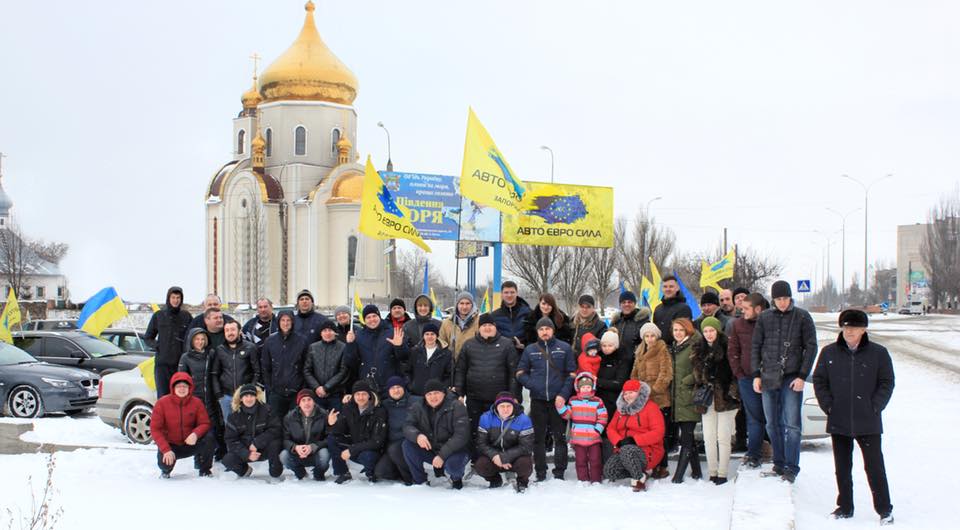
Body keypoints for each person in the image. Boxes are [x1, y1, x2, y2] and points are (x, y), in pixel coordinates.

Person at [813, 310, 895, 524]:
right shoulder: (829, 352)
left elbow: (887, 382)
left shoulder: (878, 353)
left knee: (874, 467)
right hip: (838, 418)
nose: (849, 331)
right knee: (842, 467)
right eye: (846, 327)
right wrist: (828, 405)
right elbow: (820, 381)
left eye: (854, 327)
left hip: (868, 420)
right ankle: (845, 506)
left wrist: (875, 406)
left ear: (863, 329)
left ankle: (884, 509)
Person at [751, 280, 818, 484]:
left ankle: (792, 467)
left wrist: (802, 376)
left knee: (792, 425)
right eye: (778, 298)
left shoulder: (802, 316)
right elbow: (756, 346)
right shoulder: (764, 317)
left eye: (785, 298)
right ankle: (779, 462)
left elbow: (811, 347)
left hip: (792, 376)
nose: (782, 302)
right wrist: (756, 374)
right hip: (768, 376)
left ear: (790, 298)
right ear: (773, 299)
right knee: (772, 424)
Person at [516, 317, 577, 481]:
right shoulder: (530, 350)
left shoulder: (564, 348)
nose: (544, 332)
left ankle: (560, 472)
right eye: (541, 329)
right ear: (537, 332)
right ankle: (540, 471)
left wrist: (563, 395)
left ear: (553, 330)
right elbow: (520, 373)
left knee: (560, 438)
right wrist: (533, 385)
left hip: (558, 401)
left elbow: (571, 374)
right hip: (538, 400)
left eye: (547, 329)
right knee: (538, 438)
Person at [692, 317, 739, 485]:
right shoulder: (698, 349)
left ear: (718, 331)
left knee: (723, 437)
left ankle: (722, 473)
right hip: (707, 398)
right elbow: (697, 375)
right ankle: (712, 472)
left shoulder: (729, 346)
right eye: (705, 331)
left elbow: (736, 373)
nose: (708, 334)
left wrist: (732, 392)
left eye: (711, 330)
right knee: (709, 437)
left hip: (726, 398)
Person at [402, 379, 471, 489]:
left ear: (443, 393)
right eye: (429, 394)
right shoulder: (418, 407)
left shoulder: (456, 406)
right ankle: (420, 481)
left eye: (436, 393)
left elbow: (461, 436)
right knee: (407, 445)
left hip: (455, 450)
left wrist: (441, 456)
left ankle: (456, 479)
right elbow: (407, 426)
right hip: (432, 448)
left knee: (453, 466)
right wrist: (417, 436)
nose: (433, 397)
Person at [727, 293, 768, 468]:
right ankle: (754, 454)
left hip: (770, 377)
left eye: (746, 308)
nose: (742, 311)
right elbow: (733, 351)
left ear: (758, 309)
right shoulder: (738, 324)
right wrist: (740, 374)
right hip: (747, 378)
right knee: (754, 417)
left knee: (771, 417)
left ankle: (775, 452)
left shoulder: (770, 322)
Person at [603, 380, 665, 492]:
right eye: (625, 393)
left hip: (648, 451)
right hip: (623, 449)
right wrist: (619, 441)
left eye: (631, 392)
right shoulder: (621, 410)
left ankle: (638, 479)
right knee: (609, 471)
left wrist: (635, 440)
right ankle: (642, 472)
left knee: (628, 450)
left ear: (639, 393)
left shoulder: (651, 407)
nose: (627, 396)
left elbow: (658, 432)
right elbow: (610, 428)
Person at [629, 321, 673, 479]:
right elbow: (634, 373)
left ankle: (663, 465)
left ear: (657, 336)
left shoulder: (662, 350)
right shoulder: (640, 351)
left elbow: (666, 373)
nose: (649, 339)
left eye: (652, 335)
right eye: (646, 336)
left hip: (659, 399)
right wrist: (635, 389)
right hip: (643, 399)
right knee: (647, 434)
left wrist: (653, 390)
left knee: (660, 434)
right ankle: (651, 463)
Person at [151, 372, 215, 478]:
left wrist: (195, 434)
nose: (182, 389)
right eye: (178, 386)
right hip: (171, 446)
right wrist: (165, 449)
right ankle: (166, 471)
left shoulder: (197, 403)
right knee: (165, 465)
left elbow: (204, 423)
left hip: (190, 443)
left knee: (209, 438)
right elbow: (155, 429)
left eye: (185, 386)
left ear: (189, 388)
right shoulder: (162, 403)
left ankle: (204, 469)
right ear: (173, 388)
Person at [327, 380, 387, 484]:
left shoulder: (379, 411)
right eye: (357, 394)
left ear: (369, 395)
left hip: (371, 449)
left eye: (364, 394)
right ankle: (343, 473)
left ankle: (371, 473)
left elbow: (377, 441)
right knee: (332, 439)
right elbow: (340, 431)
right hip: (355, 445)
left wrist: (352, 450)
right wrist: (332, 424)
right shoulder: (348, 408)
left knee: (368, 458)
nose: (360, 397)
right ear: (353, 396)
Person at [475, 391, 534, 492]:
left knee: (526, 464)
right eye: (502, 406)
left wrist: (504, 457)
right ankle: (495, 480)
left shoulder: (524, 420)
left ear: (513, 406)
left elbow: (526, 446)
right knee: (481, 465)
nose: (505, 409)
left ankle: (522, 481)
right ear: (496, 406)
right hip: (495, 457)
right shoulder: (485, 418)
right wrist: (494, 456)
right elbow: (481, 443)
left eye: (508, 406)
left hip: (515, 457)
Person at [223, 383, 283, 479]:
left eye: (252, 396)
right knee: (228, 460)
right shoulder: (234, 416)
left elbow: (275, 429)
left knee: (275, 443)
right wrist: (246, 454)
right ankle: (245, 470)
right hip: (246, 450)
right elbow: (231, 440)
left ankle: (275, 472)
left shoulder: (267, 410)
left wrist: (257, 443)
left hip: (264, 448)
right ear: (241, 398)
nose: (249, 399)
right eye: (246, 396)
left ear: (256, 397)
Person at [557, 372, 608, 483]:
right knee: (580, 460)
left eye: (588, 387)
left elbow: (603, 417)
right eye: (583, 387)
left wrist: (597, 430)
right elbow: (568, 415)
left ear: (592, 387)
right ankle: (583, 480)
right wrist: (560, 407)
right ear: (578, 388)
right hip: (578, 437)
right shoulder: (573, 400)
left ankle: (596, 480)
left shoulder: (598, 401)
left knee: (595, 460)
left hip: (593, 437)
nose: (586, 389)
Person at [669, 317, 702, 483]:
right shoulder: (674, 347)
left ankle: (678, 477)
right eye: (675, 330)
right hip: (677, 398)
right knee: (688, 437)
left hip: (689, 397)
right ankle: (697, 472)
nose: (678, 333)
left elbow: (700, 369)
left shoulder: (693, 346)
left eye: (681, 330)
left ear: (688, 330)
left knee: (686, 439)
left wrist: (686, 382)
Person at [178, 328, 221, 457]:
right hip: (195, 399)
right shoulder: (186, 357)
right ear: (192, 340)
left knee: (212, 429)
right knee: (198, 429)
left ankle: (212, 455)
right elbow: (181, 379)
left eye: (202, 339)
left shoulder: (211, 354)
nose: (200, 342)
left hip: (210, 398)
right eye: (197, 339)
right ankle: (199, 457)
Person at [345, 304, 404, 396]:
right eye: (368, 317)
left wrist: (399, 346)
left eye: (374, 316)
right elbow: (351, 362)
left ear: (379, 317)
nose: (372, 319)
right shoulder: (358, 336)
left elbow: (404, 357)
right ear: (364, 320)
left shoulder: (392, 332)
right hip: (368, 384)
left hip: (389, 384)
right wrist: (350, 344)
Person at [144, 286, 192, 398]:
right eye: (173, 297)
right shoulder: (159, 315)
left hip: (180, 365)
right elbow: (148, 338)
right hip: (162, 365)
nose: (176, 300)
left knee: (181, 396)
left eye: (178, 298)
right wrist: (158, 346)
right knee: (163, 397)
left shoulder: (186, 316)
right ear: (168, 298)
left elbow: (193, 336)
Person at [261, 310, 309, 419]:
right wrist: (269, 387)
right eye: (283, 320)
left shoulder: (302, 340)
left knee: (295, 422)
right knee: (275, 422)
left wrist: (303, 387)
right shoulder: (270, 341)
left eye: (288, 320)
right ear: (278, 322)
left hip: (296, 391)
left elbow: (306, 366)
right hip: (276, 392)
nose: (285, 323)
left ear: (293, 322)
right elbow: (265, 367)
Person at [211, 320, 260, 422]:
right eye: (227, 330)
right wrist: (218, 394)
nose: (230, 333)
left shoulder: (250, 347)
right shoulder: (220, 350)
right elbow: (214, 373)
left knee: (248, 424)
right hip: (226, 396)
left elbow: (257, 372)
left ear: (239, 331)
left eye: (233, 329)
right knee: (229, 425)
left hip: (245, 396)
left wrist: (251, 391)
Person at [374, 377, 417, 484]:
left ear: (403, 388)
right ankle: (399, 471)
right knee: (381, 472)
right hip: (392, 445)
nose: (396, 390)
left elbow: (435, 397)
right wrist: (349, 398)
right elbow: (365, 401)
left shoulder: (415, 401)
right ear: (388, 391)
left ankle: (412, 477)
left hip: (410, 443)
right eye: (392, 388)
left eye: (398, 387)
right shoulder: (384, 404)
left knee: (395, 449)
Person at [282, 389, 331, 481]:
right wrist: (295, 447)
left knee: (324, 454)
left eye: (309, 399)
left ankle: (318, 474)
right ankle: (300, 473)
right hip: (298, 453)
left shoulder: (324, 415)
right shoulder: (289, 417)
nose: (306, 403)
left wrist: (313, 447)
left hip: (317, 452)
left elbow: (329, 438)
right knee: (283, 456)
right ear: (299, 403)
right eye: (303, 400)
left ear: (314, 402)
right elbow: (285, 439)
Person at [304, 320, 349, 412]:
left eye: (330, 330)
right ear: (321, 333)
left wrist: (326, 387)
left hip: (335, 394)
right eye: (324, 330)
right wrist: (317, 387)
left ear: (335, 332)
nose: (327, 333)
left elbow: (343, 371)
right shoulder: (313, 347)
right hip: (317, 394)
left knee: (336, 418)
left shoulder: (343, 347)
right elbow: (307, 370)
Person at [403, 321, 453, 397]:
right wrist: (411, 386)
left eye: (432, 334)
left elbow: (449, 375)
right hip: (417, 394)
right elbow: (407, 371)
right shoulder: (415, 351)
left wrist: (442, 388)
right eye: (427, 334)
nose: (430, 337)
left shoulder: (446, 353)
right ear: (423, 336)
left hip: (436, 395)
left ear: (437, 336)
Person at [594, 329, 632, 425]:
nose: (606, 348)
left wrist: (598, 381)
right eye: (604, 345)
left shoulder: (622, 359)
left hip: (613, 400)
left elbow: (619, 383)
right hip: (598, 399)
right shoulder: (598, 358)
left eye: (610, 345)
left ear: (616, 346)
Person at [491, 280, 531, 355]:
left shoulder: (528, 313)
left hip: (524, 356)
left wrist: (525, 346)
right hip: (502, 357)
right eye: (506, 292)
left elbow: (535, 336)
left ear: (517, 293)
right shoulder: (494, 316)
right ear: (501, 294)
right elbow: (491, 338)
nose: (509, 295)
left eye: (512, 292)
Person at [610, 290, 652, 359]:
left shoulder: (643, 322)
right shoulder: (615, 322)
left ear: (634, 304)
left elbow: (650, 345)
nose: (626, 304)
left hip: (636, 362)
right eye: (623, 302)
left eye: (629, 302)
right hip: (617, 362)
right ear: (620, 305)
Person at [438, 292, 480, 361]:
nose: (464, 307)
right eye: (461, 303)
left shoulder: (479, 322)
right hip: (452, 364)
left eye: (467, 303)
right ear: (457, 304)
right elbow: (441, 344)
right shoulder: (447, 323)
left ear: (472, 305)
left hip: (472, 364)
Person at [653, 276, 693, 346]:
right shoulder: (658, 309)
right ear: (662, 289)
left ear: (677, 288)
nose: (668, 289)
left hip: (676, 349)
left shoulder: (684, 308)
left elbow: (685, 333)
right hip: (659, 349)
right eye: (665, 287)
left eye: (671, 286)